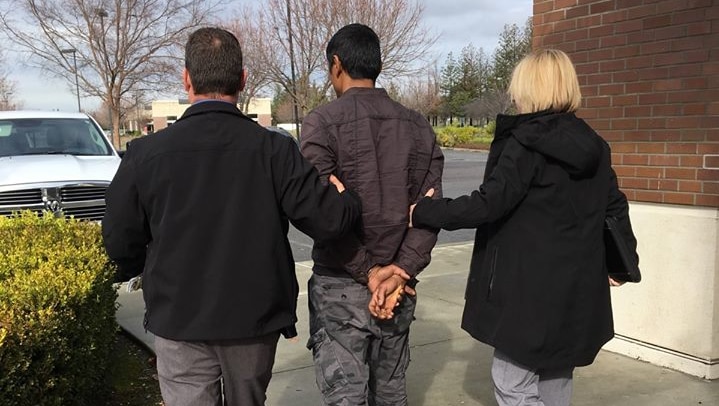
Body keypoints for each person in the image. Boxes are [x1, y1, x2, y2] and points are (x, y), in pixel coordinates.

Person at [102, 27, 361, 406]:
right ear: (242, 80)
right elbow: (328, 221)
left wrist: (146, 266)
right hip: (253, 319)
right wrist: (348, 197)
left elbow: (119, 241)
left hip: (179, 316)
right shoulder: (274, 150)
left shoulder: (145, 154)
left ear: (186, 79)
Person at [410, 49, 639, 406]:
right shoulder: (595, 144)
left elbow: (489, 202)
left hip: (527, 289)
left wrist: (426, 211)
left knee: (512, 382)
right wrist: (622, 263)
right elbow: (614, 205)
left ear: (531, 87)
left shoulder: (526, 142)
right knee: (556, 377)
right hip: (575, 287)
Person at [300, 23, 444, 405]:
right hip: (397, 289)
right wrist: (400, 270)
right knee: (392, 393)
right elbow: (429, 210)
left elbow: (319, 212)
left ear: (336, 65)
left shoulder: (320, 123)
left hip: (340, 285)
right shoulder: (418, 127)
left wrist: (371, 272)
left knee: (346, 397)